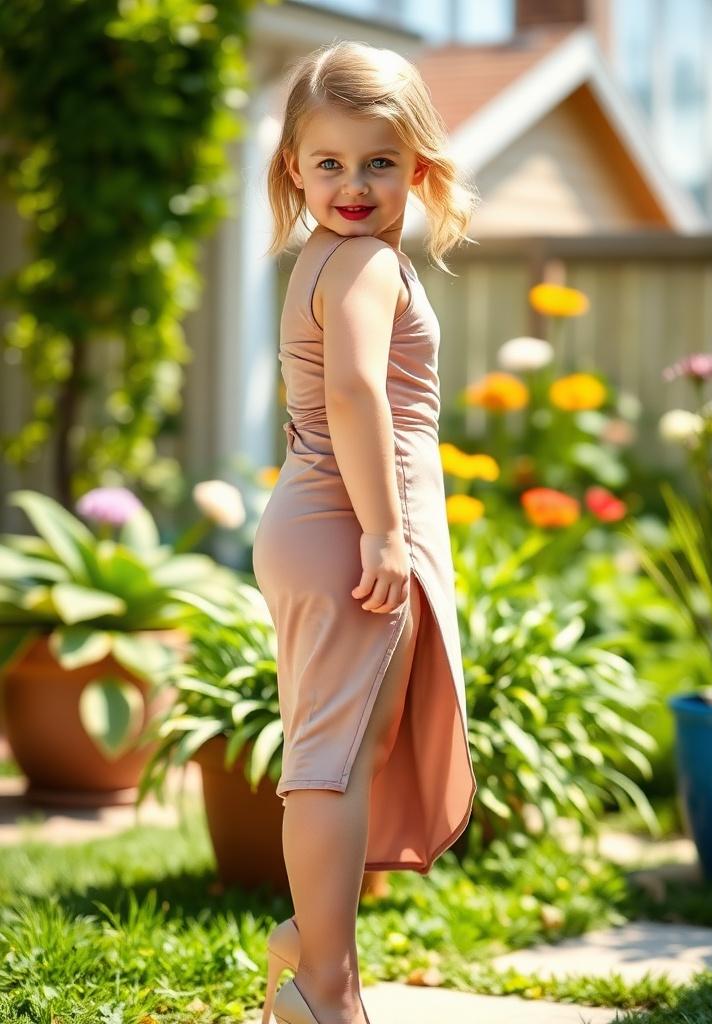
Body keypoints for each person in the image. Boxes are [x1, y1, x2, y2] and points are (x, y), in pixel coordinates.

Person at [252, 39, 480, 1024]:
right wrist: (385, 534)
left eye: (379, 162)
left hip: (334, 520)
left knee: (357, 740)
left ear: (418, 166)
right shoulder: (359, 264)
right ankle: (324, 992)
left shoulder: (343, 257)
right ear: (294, 169)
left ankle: (306, 947)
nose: (353, 184)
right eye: (330, 163)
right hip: (350, 524)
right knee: (335, 756)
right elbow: (351, 389)